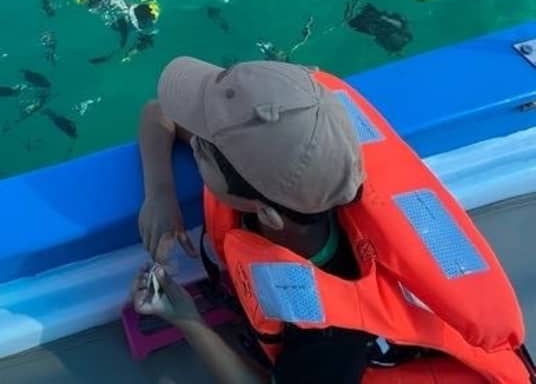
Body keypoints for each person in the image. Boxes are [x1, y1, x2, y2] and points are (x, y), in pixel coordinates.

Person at [133, 58, 534, 383]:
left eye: (204, 149)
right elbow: (161, 113)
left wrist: (188, 320)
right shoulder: (306, 157)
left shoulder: (326, 342)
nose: (197, 144)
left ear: (268, 213)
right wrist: (161, 193)